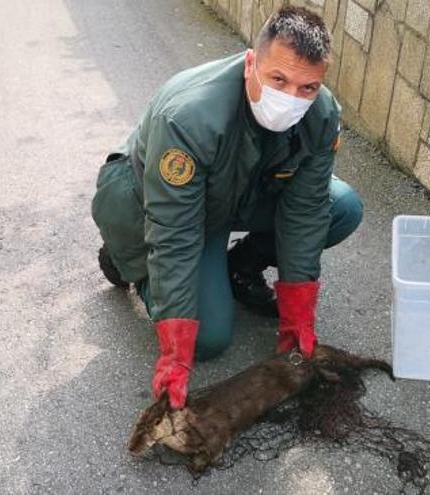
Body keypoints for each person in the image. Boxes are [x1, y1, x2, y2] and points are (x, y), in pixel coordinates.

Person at [91, 7, 363, 409]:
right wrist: (174, 354)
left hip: (239, 192)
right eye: (278, 80)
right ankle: (127, 260)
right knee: (208, 339)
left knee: (342, 207)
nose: (291, 99)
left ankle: (237, 267)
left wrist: (298, 318)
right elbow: (175, 232)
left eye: (307, 87)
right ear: (251, 63)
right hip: (164, 204)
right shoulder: (188, 118)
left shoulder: (321, 114)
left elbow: (306, 212)